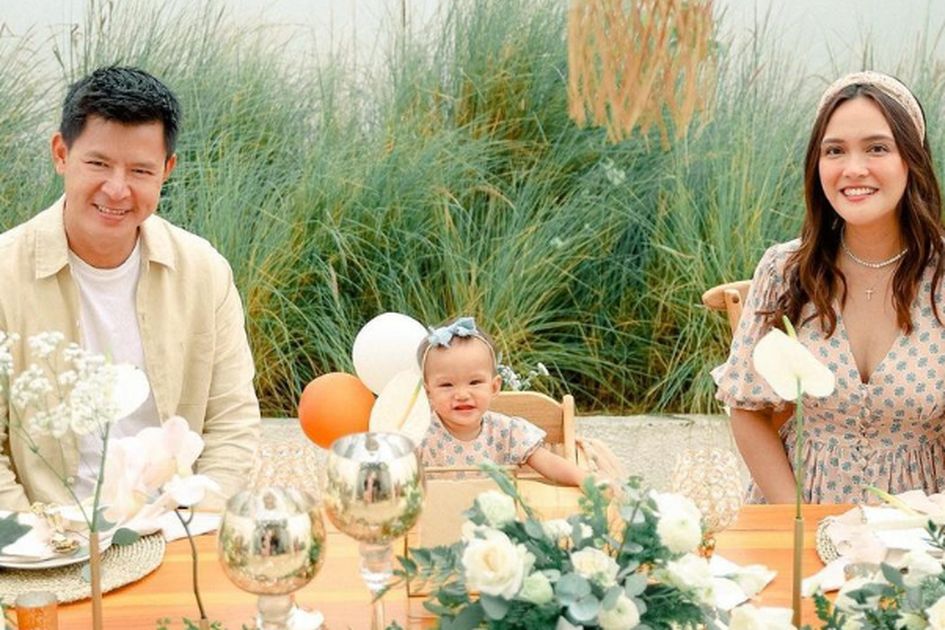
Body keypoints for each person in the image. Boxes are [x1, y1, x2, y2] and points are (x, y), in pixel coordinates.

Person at [0, 66, 260, 511]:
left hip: (176, 523)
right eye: (98, 164)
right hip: (46, 530)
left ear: (166, 170)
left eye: (140, 170)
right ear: (61, 153)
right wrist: (40, 537)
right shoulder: (5, 273)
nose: (117, 190)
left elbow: (232, 423)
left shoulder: (204, 271)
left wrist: (195, 519)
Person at [713, 71, 945, 504]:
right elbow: (748, 409)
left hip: (921, 524)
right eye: (834, 150)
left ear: (910, 159)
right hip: (798, 511)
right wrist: (798, 520)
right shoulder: (784, 270)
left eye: (877, 148)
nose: (853, 169)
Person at [417, 317, 586, 486]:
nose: (462, 395)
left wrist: (584, 480)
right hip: (439, 502)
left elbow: (549, 463)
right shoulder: (420, 435)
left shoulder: (506, 432)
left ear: (494, 387)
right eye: (446, 385)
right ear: (428, 392)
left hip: (494, 503)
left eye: (474, 382)